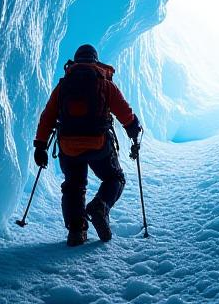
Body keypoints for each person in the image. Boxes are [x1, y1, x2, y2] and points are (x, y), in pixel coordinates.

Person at [34, 44, 142, 246]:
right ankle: (100, 206)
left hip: (69, 146)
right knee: (114, 177)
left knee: (74, 187)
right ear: (95, 60)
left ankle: (76, 231)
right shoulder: (104, 82)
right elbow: (124, 112)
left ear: (76, 61)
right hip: (98, 145)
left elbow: (47, 117)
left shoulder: (63, 85)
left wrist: (40, 145)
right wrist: (134, 129)